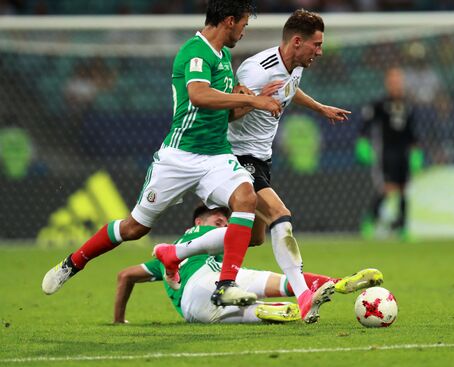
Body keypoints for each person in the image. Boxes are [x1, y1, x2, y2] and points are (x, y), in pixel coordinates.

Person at [42, 0, 283, 308]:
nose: (244, 32)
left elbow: (224, 114)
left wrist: (248, 102)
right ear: (230, 21)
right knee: (134, 228)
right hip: (179, 157)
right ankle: (73, 263)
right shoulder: (195, 52)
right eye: (244, 25)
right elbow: (198, 96)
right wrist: (254, 102)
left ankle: (226, 285)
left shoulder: (223, 55)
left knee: (246, 199)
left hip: (215, 156)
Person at [153, 9, 353, 323]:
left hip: (262, 159)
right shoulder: (255, 70)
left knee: (252, 238)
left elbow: (289, 89)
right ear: (297, 42)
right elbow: (227, 113)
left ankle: (173, 253)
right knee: (280, 214)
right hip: (236, 156)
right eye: (316, 44)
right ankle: (302, 295)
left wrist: (319, 107)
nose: (320, 51)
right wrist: (255, 99)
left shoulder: (294, 66)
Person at [115, 205, 384, 324]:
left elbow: (125, 276)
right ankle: (330, 285)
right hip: (208, 281)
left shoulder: (162, 260)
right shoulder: (205, 237)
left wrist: (119, 320)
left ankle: (271, 310)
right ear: (197, 222)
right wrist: (254, 204)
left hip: (196, 305)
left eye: (225, 217)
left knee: (268, 295)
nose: (223, 220)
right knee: (276, 282)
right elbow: (254, 238)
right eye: (216, 217)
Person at [356, 67, 422, 239]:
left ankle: (403, 228)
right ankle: (370, 219)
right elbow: (364, 125)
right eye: (393, 81)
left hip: (403, 154)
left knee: (404, 189)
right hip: (386, 153)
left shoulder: (408, 106)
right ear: (387, 83)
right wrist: (362, 143)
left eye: (399, 81)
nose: (396, 84)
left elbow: (412, 132)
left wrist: (416, 151)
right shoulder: (379, 104)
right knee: (387, 188)